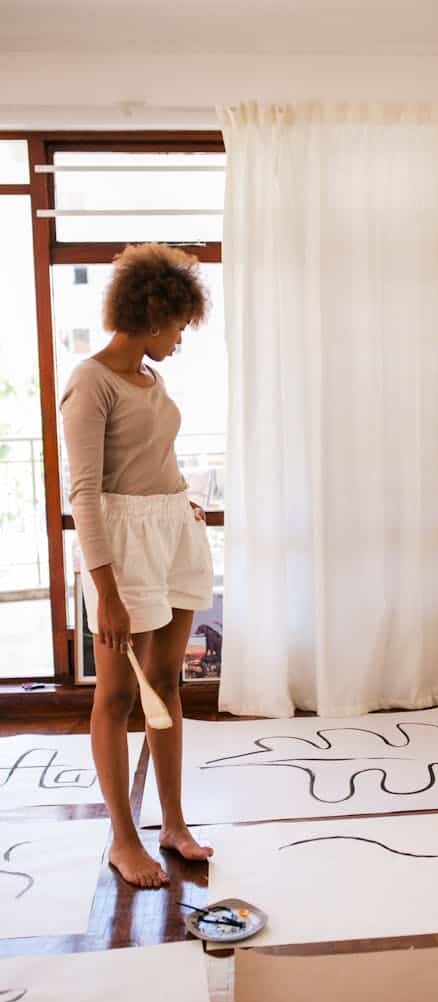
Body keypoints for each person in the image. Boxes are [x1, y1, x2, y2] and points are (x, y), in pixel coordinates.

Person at [61, 243, 215, 887]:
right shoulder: (89, 381)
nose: (181, 337)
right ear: (153, 315)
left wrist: (184, 505)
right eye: (179, 325)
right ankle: (124, 839)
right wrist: (108, 595)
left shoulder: (152, 377)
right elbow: (86, 495)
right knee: (120, 694)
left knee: (167, 685)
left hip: (171, 530)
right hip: (121, 550)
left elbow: (151, 454)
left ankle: (173, 824)